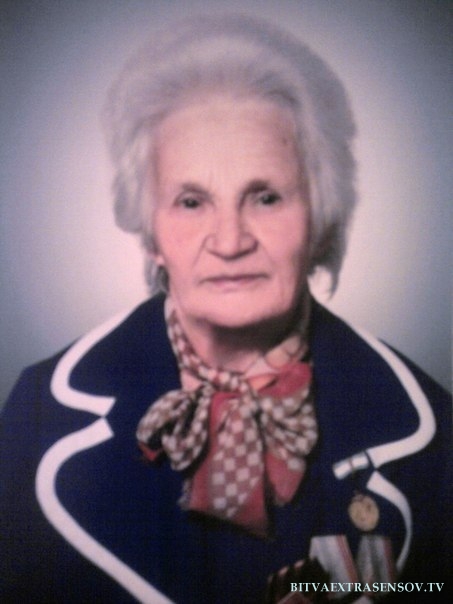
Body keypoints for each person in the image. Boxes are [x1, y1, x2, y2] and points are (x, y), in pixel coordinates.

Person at [0, 14, 451, 604]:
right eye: (191, 202)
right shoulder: (37, 414)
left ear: (318, 216)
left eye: (265, 197)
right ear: (150, 232)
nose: (231, 241)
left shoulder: (434, 434)